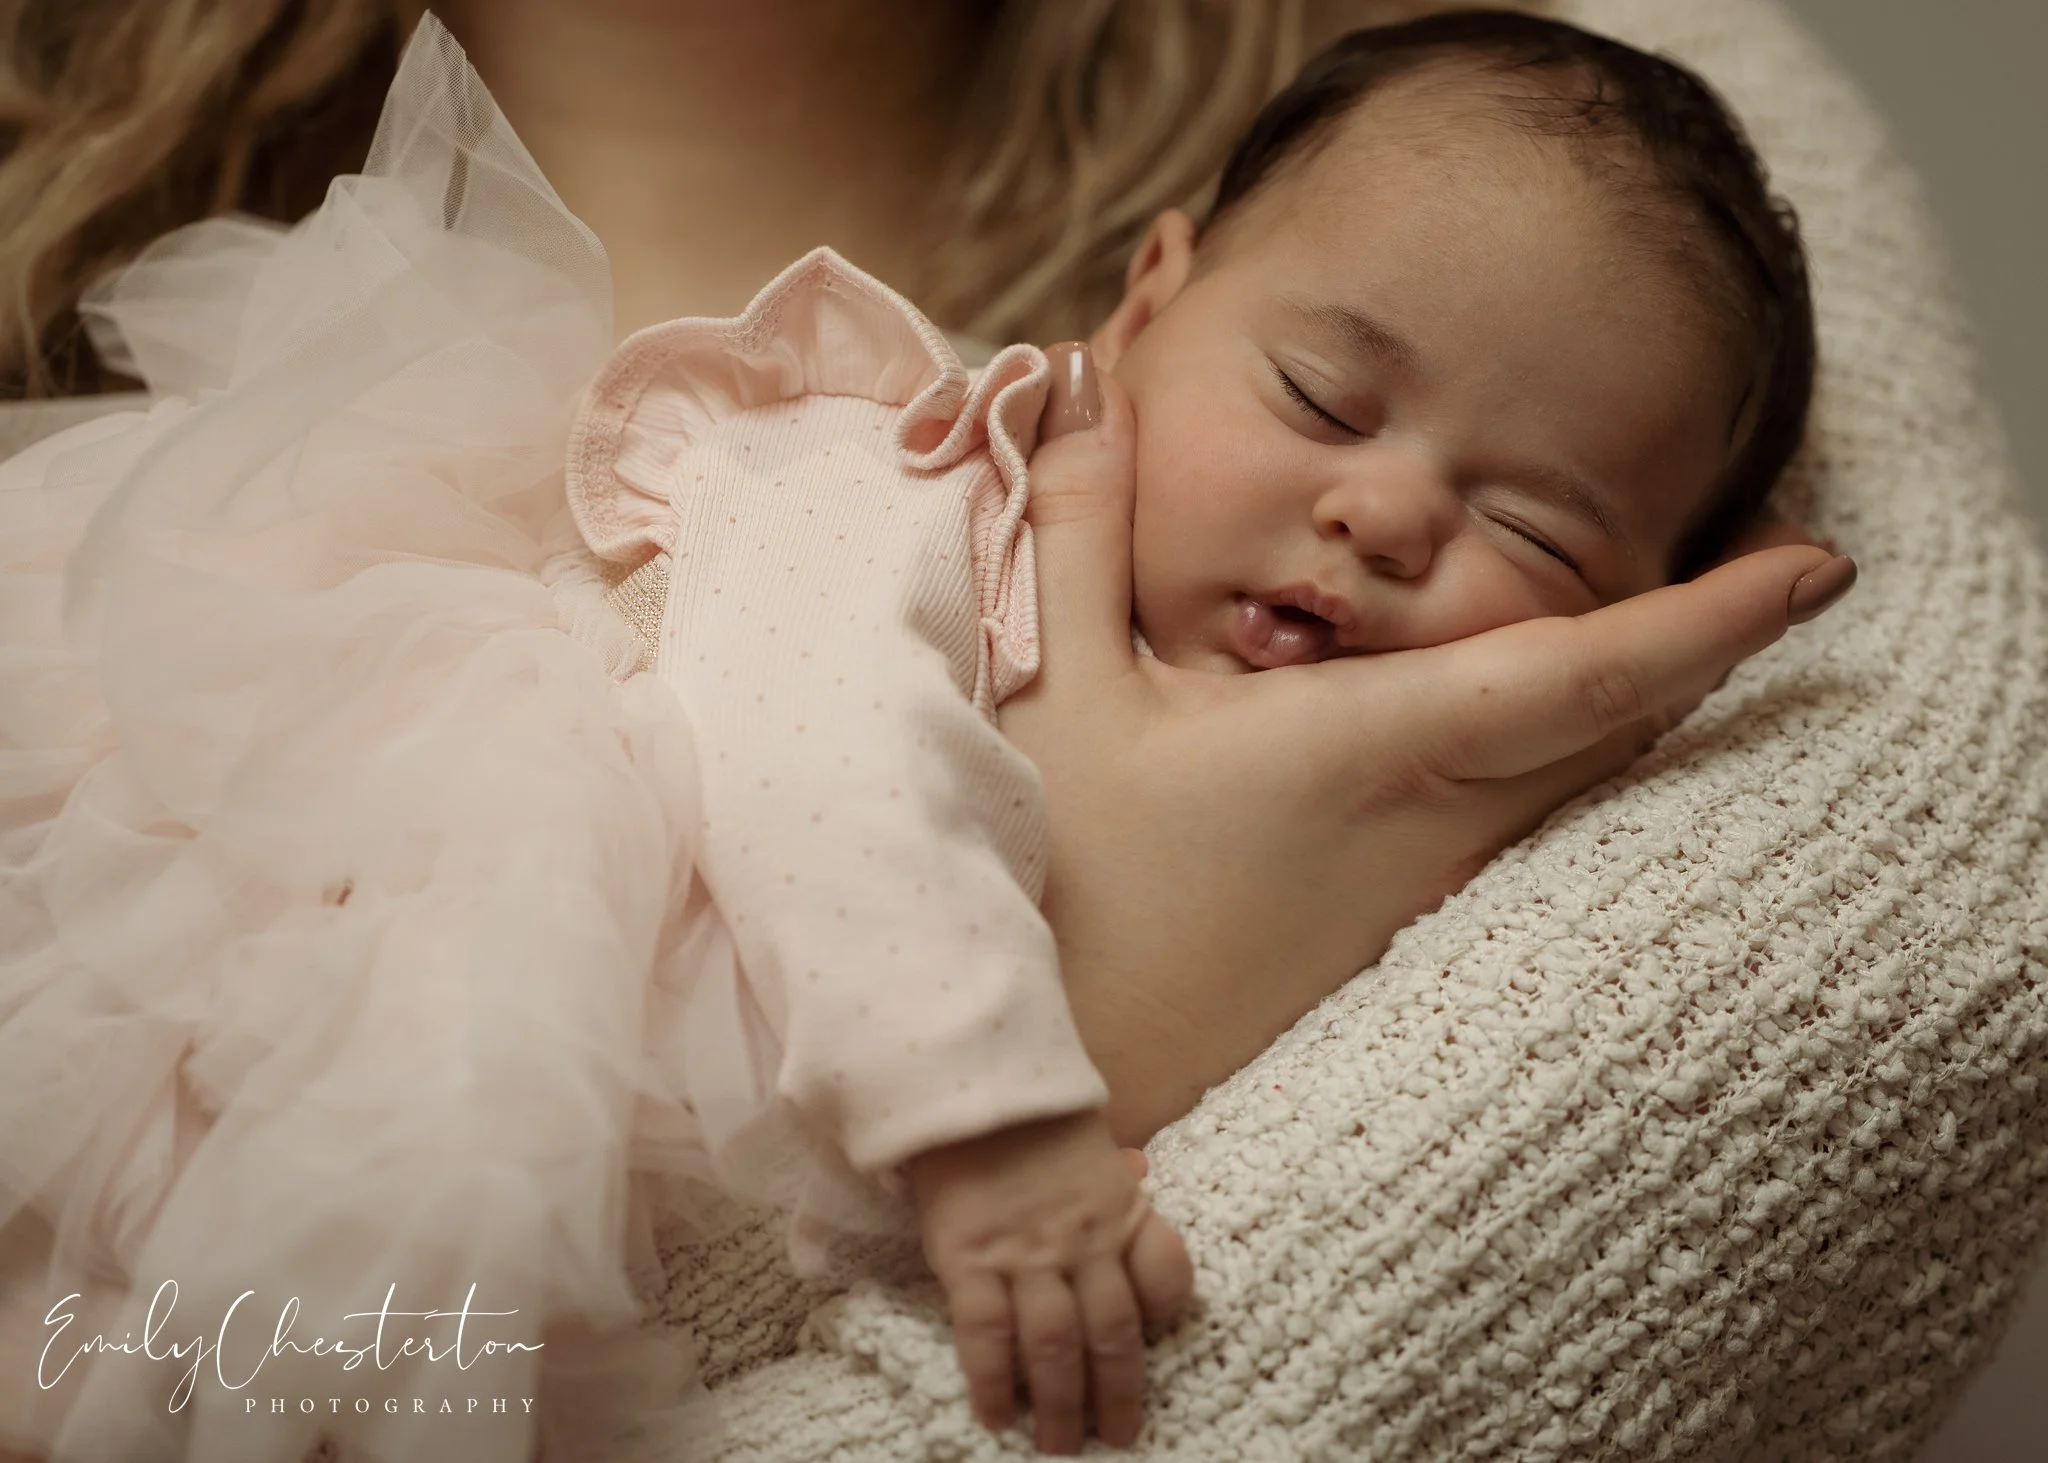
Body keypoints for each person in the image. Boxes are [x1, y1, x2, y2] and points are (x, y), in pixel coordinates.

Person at [0, 4, 1855, 1460]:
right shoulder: (906, 475)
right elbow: (822, 751)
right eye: (1319, 393)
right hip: (370, 947)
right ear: (1149, 306)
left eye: (1531, 527)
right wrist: (997, 1122)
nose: (1384, 515)